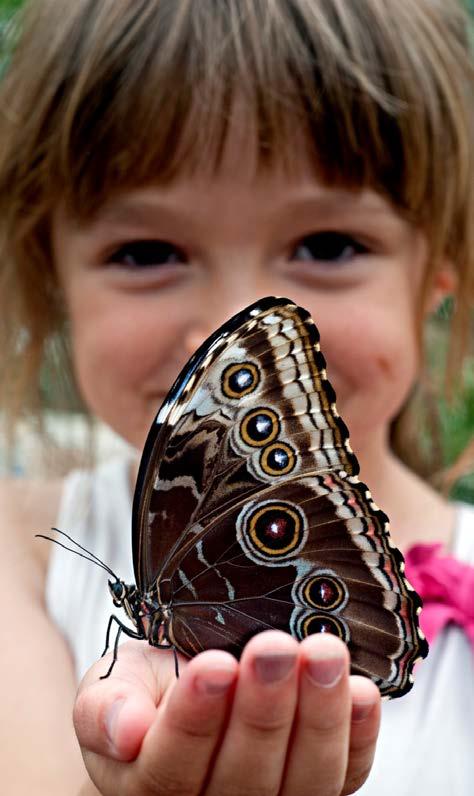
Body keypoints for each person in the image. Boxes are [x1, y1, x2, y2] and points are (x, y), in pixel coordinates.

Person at [0, 0, 473, 793]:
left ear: (439, 276)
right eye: (148, 251)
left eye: (328, 245)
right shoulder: (17, 554)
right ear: (53, 283)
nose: (225, 314)